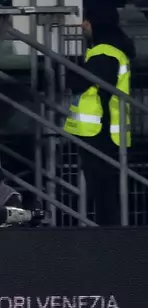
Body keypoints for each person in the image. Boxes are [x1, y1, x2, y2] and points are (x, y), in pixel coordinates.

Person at [64, 3, 135, 226]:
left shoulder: (104, 53)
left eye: (88, 20)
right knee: (104, 190)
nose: (83, 25)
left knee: (102, 191)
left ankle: (109, 237)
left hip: (100, 133)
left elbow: (78, 82)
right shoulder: (110, 50)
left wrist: (72, 70)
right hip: (105, 133)